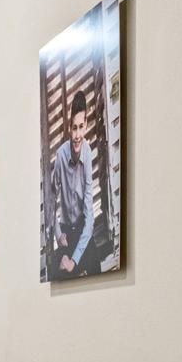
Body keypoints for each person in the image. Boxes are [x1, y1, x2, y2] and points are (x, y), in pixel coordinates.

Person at [48, 88, 113, 278]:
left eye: (81, 127)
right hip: (66, 233)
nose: (77, 135)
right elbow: (52, 199)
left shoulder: (87, 152)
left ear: (86, 126)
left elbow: (90, 217)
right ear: (69, 127)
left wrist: (74, 260)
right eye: (74, 128)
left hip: (83, 228)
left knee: (96, 270)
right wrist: (58, 234)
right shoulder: (60, 156)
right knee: (57, 274)